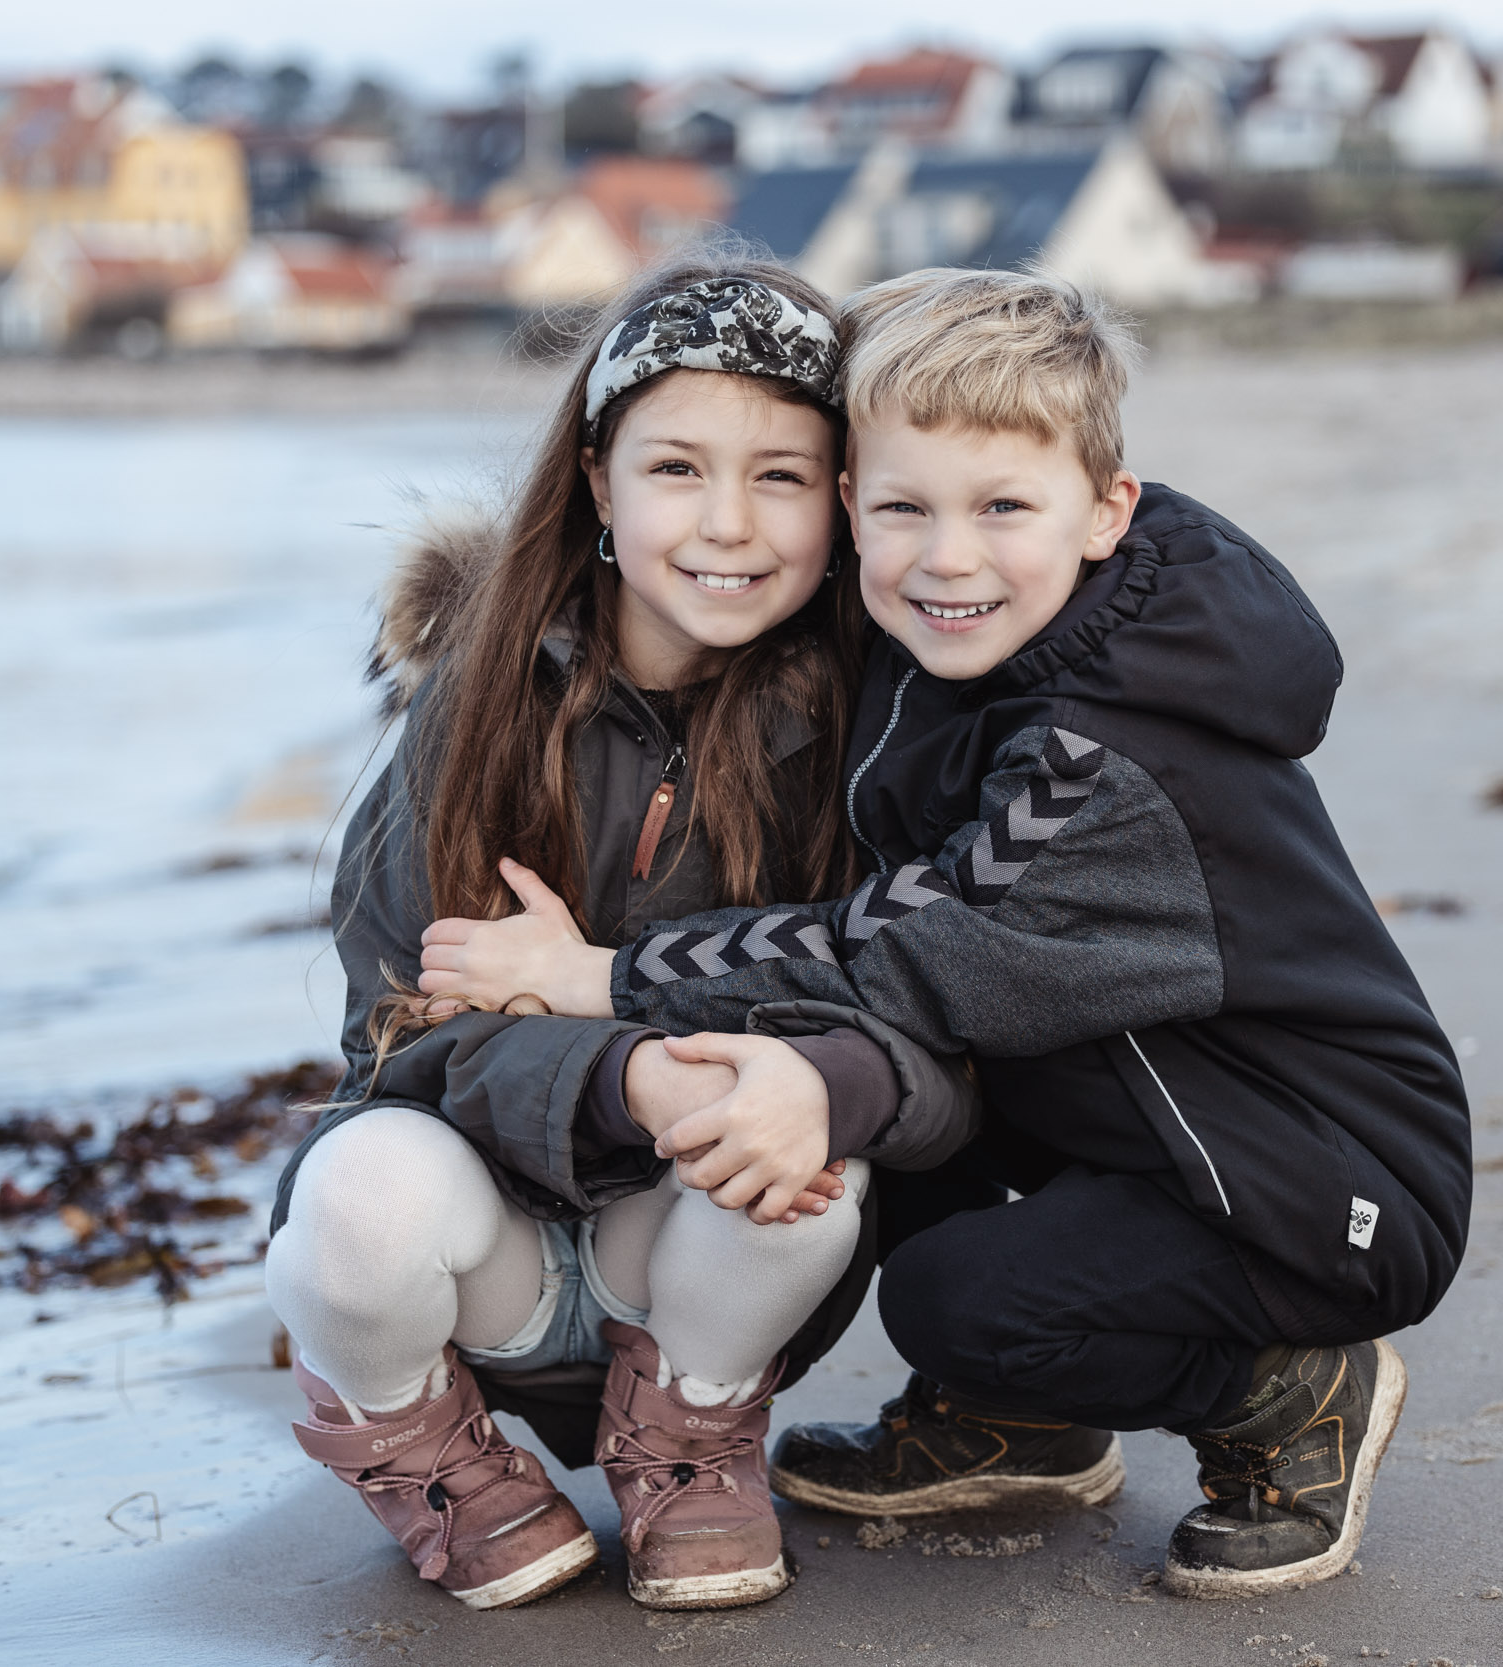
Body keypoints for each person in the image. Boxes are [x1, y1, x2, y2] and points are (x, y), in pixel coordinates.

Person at [418, 267, 1473, 1601]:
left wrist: (600, 975)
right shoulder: (971, 642)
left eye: (1002, 509)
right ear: (855, 505)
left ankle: (1289, 1395)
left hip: (1322, 1187)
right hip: (1128, 1106)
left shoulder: (1106, 760)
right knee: (902, 1108)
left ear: (1108, 512)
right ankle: (1025, 1419)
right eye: (904, 507)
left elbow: (905, 947)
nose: (949, 556)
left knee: (956, 1292)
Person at [264, 256, 978, 1614]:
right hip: (490, 1252)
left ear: (840, 499)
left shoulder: (876, 734)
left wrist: (818, 1079)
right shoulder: (477, 703)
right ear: (597, 481)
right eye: (675, 471)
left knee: (802, 1137)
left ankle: (697, 1437)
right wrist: (620, 1075)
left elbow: (942, 1041)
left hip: (707, 1256)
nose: (728, 523)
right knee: (352, 1195)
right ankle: (430, 1452)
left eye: (779, 476)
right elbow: (396, 1042)